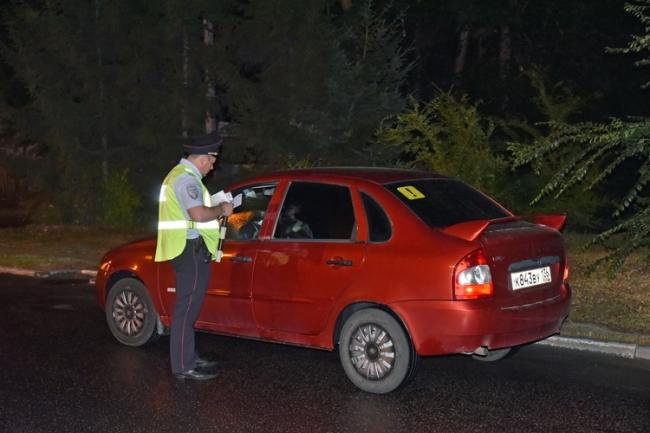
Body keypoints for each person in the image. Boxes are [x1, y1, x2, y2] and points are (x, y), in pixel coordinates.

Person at [154, 130, 233, 381]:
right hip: (189, 251)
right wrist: (221, 208)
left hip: (185, 249)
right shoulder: (187, 180)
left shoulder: (178, 176)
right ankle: (183, 366)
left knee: (188, 308)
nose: (212, 166)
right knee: (186, 310)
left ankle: (188, 357)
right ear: (201, 158)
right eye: (212, 161)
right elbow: (198, 215)